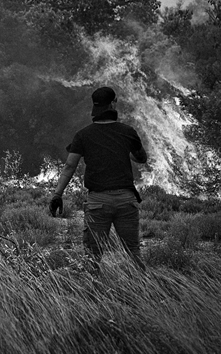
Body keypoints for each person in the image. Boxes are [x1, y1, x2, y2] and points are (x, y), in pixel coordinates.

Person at [50, 87, 148, 271]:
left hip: (97, 202)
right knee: (133, 252)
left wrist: (57, 194)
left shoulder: (83, 135)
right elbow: (141, 158)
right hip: (126, 200)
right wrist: (122, 148)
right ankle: (143, 292)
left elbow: (69, 166)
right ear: (112, 104)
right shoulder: (127, 132)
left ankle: (92, 295)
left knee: (92, 256)